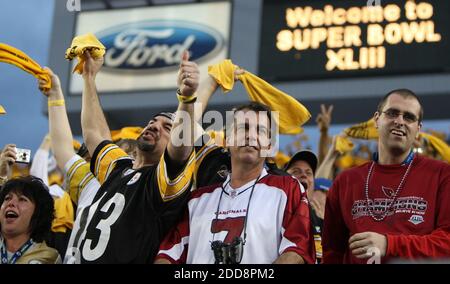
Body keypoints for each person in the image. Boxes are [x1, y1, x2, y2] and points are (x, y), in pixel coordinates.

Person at [68, 49, 199, 264]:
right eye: (152, 122)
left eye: (167, 127)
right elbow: (96, 134)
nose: (155, 127)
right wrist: (89, 77)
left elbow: (179, 151)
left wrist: (187, 98)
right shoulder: (120, 168)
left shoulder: (163, 183)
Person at [155, 102, 315, 264]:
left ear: (269, 145)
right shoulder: (196, 200)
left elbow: (297, 250)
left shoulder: (288, 189)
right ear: (228, 140)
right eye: (243, 128)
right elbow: (167, 255)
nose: (251, 136)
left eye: (261, 131)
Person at [322, 89, 450, 264]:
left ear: (418, 129)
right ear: (377, 119)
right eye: (392, 113)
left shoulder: (442, 175)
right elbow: (332, 252)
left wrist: (389, 244)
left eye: (409, 117)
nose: (399, 121)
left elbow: (447, 242)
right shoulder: (346, 181)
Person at [0, 176, 60, 264]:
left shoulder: (49, 258)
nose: (11, 203)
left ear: (38, 213)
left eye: (22, 199)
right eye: (7, 198)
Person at [284, 150, 325, 263]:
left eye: (309, 173)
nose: (304, 175)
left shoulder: (321, 220)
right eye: (296, 171)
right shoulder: (276, 213)